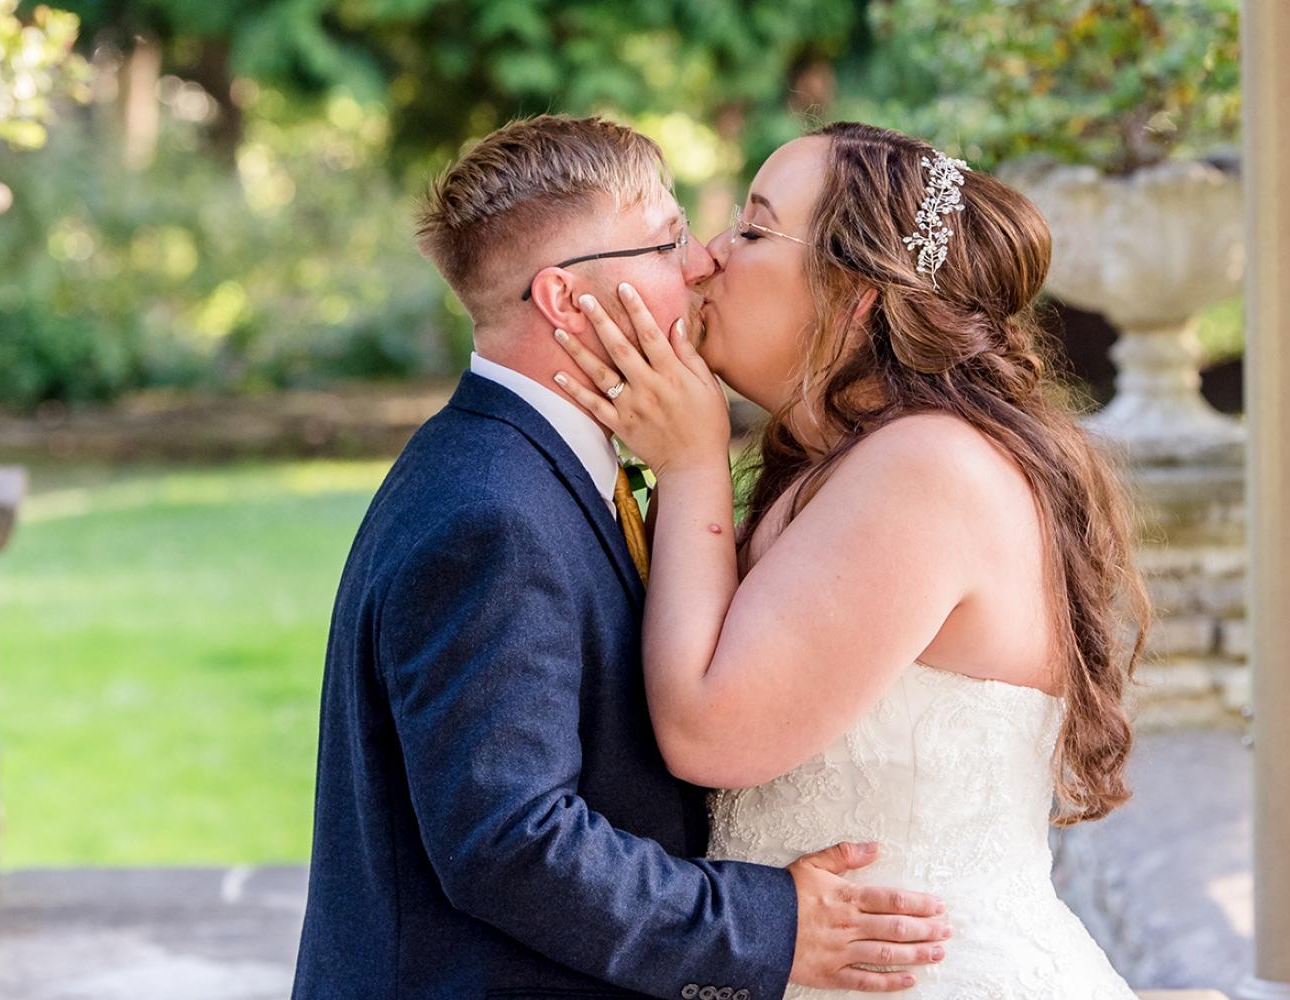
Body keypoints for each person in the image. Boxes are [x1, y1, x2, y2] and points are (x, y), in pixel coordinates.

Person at [291, 115, 952, 1000]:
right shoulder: (491, 514)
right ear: (567, 300)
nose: (701, 260)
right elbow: (512, 842)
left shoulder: (531, 468)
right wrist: (764, 927)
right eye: (665, 240)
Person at [550, 122, 1150, 998]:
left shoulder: (927, 469)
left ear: (859, 295)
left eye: (754, 230)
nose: (710, 256)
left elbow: (710, 729)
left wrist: (689, 465)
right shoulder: (843, 466)